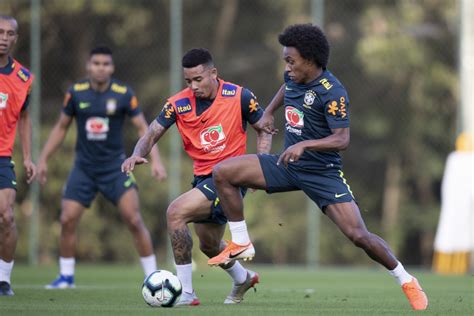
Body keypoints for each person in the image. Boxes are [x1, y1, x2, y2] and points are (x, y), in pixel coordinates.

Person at [208, 24, 429, 311]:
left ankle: (406, 279)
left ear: (310, 60)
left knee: (359, 236)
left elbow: (342, 139)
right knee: (223, 172)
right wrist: (268, 114)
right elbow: (285, 87)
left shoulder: (332, 92)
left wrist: (305, 145)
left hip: (322, 172)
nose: (287, 67)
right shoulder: (294, 77)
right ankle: (241, 242)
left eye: (291, 60)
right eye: (285, 60)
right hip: (287, 164)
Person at [122, 48, 271, 306]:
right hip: (202, 178)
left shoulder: (239, 96)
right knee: (209, 245)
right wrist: (136, 153)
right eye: (188, 81)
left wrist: (259, 165)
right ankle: (243, 278)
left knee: (175, 212)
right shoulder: (177, 103)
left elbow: (265, 129)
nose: (193, 86)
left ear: (213, 73)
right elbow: (152, 133)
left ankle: (186, 293)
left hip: (230, 178)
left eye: (198, 79)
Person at [38, 46, 167, 289]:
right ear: (88, 66)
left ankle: (152, 276)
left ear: (112, 67)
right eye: (96, 63)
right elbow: (61, 127)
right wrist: (43, 159)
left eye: (105, 64)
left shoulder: (123, 93)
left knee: (134, 219)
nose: (101, 67)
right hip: (84, 168)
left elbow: (144, 128)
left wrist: (156, 161)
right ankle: (66, 277)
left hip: (115, 167)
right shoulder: (76, 93)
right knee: (67, 219)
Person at [0, 15, 37, 296]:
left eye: (9, 33)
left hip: (2, 157)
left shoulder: (24, 77)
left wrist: (27, 157)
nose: (3, 37)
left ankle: (4, 281)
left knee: (7, 217)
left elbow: (24, 117)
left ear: (16, 39)